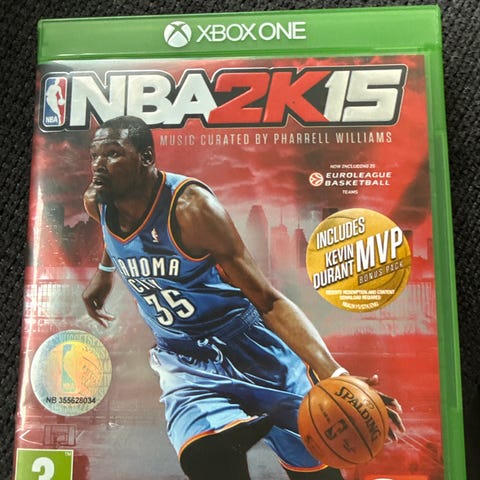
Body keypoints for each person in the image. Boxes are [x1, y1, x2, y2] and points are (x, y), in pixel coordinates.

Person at [82, 115, 404, 480]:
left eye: (113, 154)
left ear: (145, 158)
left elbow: (269, 300)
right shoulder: (98, 201)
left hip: (249, 346)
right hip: (185, 360)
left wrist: (336, 374)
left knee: (318, 468)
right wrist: (104, 273)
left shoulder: (191, 209)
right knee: (204, 459)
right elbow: (115, 237)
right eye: (95, 155)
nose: (99, 165)